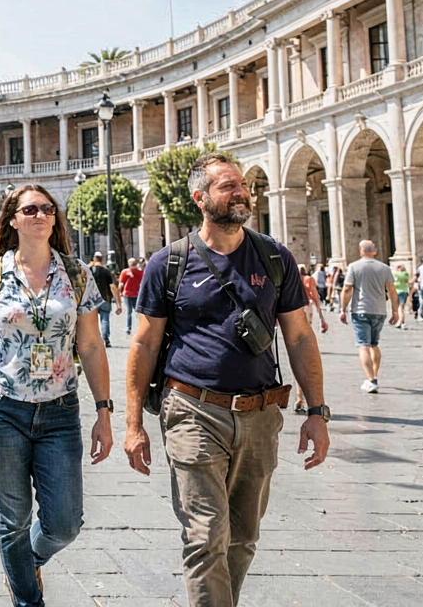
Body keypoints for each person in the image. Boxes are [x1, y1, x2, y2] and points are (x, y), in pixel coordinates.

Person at [124, 152, 329, 607]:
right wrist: (133, 423)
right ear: (200, 198)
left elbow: (298, 336)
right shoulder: (169, 263)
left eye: (242, 185)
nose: (241, 192)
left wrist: (317, 412)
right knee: (205, 533)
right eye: (227, 186)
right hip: (192, 410)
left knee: (243, 536)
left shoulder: (275, 257)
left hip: (259, 414)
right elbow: (144, 345)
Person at [0, 184, 112, 607]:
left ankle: (24, 562)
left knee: (65, 523)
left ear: (55, 219)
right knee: (13, 518)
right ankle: (27, 599)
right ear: (13, 220)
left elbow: (92, 346)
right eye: (29, 209)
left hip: (59, 410)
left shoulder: (76, 274)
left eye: (46, 208)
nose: (39, 214)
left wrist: (104, 411)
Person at [338, 240, 397, 394]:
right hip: (380, 310)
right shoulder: (384, 267)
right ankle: (375, 375)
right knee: (374, 343)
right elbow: (392, 290)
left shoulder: (354, 266)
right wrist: (395, 311)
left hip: (361, 309)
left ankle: (371, 380)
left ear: (360, 250)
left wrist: (342, 309)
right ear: (374, 251)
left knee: (363, 344)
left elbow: (347, 288)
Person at [294, 264, 329, 413]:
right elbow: (314, 295)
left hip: (294, 311)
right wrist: (322, 316)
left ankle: (298, 397)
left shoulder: (292, 279)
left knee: (298, 357)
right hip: (306, 308)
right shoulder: (308, 279)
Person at [88, 252, 123, 347]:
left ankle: (92, 340)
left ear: (94, 258)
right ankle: (106, 339)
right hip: (105, 298)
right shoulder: (106, 271)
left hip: (91, 299)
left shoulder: (89, 269)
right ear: (101, 259)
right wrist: (118, 304)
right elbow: (113, 287)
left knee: (90, 321)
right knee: (105, 319)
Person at [118, 257, 144, 334]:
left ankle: (128, 328)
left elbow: (121, 284)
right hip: (137, 293)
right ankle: (141, 327)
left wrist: (119, 293)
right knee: (138, 312)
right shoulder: (141, 272)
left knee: (129, 312)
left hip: (127, 294)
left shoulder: (125, 272)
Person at [392, 263, 414, 329]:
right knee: (401, 307)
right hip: (404, 291)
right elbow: (407, 281)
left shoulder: (395, 274)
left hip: (398, 292)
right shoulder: (405, 274)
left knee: (400, 308)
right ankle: (402, 321)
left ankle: (400, 321)